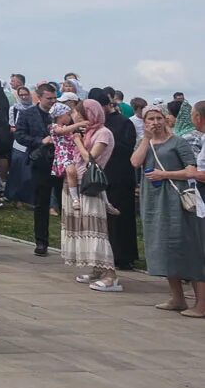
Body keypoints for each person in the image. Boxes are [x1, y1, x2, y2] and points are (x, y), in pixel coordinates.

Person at [133, 102, 205, 316]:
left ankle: (200, 303)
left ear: (166, 119)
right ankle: (177, 298)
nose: (155, 123)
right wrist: (145, 139)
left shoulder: (178, 142)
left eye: (159, 118)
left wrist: (164, 175)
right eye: (150, 119)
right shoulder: (144, 142)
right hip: (153, 202)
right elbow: (135, 162)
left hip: (176, 200)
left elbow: (191, 170)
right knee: (163, 249)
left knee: (186, 249)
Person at [61, 99, 120, 292]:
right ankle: (98, 268)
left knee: (96, 230)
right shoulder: (90, 132)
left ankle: (110, 275)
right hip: (76, 182)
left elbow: (90, 159)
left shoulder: (103, 133)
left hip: (90, 186)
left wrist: (77, 140)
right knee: (83, 229)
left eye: (78, 112)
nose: (75, 115)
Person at [96, 88, 139, 271]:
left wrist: (106, 143)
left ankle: (124, 256)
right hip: (103, 176)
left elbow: (127, 147)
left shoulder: (123, 123)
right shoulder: (98, 125)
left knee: (122, 218)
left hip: (120, 176)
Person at [14, 82, 58, 255]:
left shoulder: (60, 114)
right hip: (41, 162)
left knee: (65, 202)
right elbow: (20, 135)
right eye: (49, 98)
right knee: (41, 203)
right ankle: (41, 241)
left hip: (61, 161)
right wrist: (40, 141)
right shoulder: (28, 114)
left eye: (55, 98)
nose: (53, 101)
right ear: (39, 98)